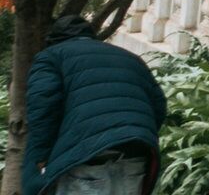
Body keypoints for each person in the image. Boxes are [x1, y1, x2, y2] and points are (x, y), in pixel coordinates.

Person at [19, 17, 163, 195]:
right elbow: (158, 106)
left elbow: (43, 111)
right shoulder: (131, 58)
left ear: (53, 40)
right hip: (135, 154)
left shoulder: (51, 57)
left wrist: (39, 160)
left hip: (86, 157)